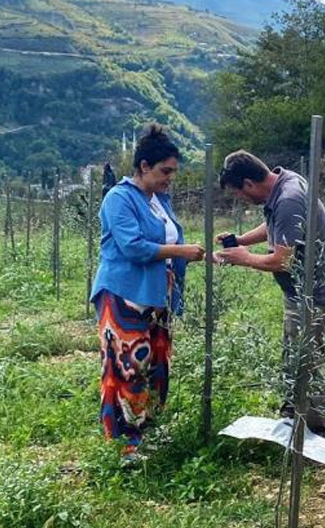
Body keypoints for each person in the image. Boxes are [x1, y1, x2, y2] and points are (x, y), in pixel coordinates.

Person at [89, 124, 205, 460]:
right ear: (143, 167)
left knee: (157, 364)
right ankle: (126, 442)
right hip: (123, 293)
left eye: (173, 172)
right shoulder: (119, 199)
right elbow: (134, 247)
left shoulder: (159, 201)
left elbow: (168, 241)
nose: (170, 177)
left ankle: (149, 430)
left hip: (157, 296)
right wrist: (181, 253)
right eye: (165, 171)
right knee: (126, 366)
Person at [215, 150, 325, 437]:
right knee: (293, 356)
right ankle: (293, 416)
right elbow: (276, 226)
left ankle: (310, 434)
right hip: (302, 294)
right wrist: (240, 240)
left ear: (249, 184)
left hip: (315, 296)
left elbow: (282, 261)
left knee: (304, 364)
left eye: (239, 194)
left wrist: (244, 257)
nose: (241, 200)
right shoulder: (284, 183)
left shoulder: (287, 199)